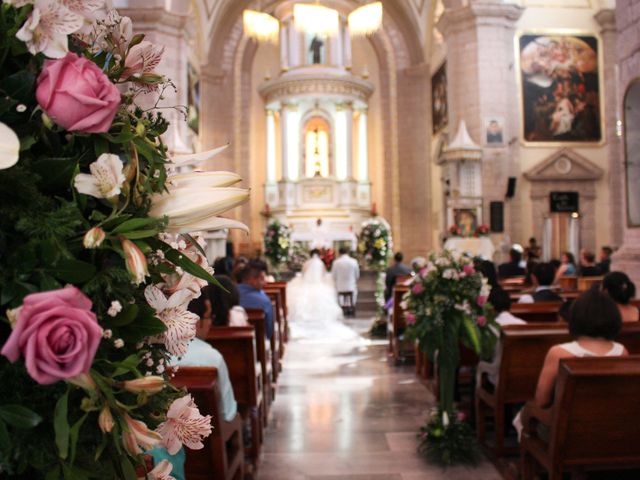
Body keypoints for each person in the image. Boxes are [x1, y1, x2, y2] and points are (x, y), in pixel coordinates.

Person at [532, 289, 628, 408]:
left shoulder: (558, 353)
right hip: (607, 419)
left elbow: (542, 400)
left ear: (575, 318)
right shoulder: (621, 351)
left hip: (565, 422)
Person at [178, 293, 238, 423]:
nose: (211, 322)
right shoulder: (212, 358)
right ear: (197, 322)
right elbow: (227, 412)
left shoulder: (156, 356)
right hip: (210, 432)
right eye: (209, 316)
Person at [286, 249, 361, 341]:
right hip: (321, 286)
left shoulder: (307, 263)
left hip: (308, 286)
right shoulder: (321, 263)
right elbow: (324, 275)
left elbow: (303, 274)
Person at [477, 288, 526, 386]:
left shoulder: (491, 327)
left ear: (491, 308)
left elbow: (485, 354)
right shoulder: (523, 324)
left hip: (498, 378)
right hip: (522, 376)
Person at [237, 260, 274, 339]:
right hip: (258, 342)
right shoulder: (264, 301)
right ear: (252, 279)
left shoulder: (229, 293)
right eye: (262, 278)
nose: (265, 282)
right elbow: (269, 331)